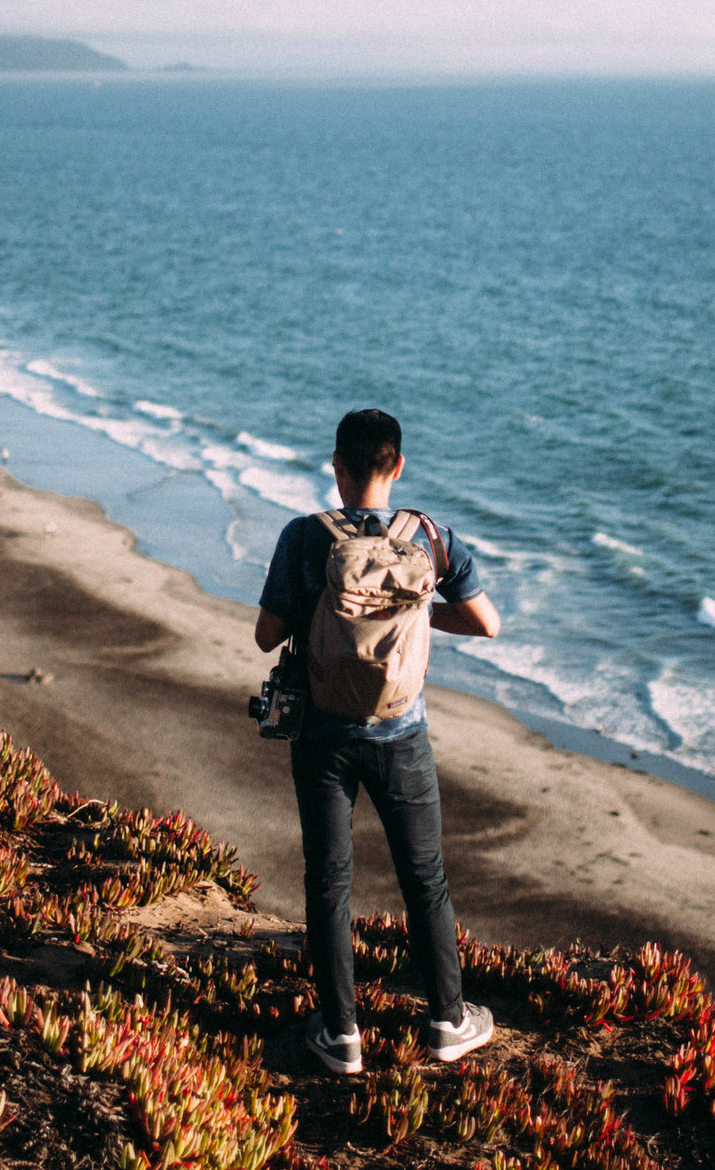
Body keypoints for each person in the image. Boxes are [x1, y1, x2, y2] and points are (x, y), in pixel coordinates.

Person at [254, 408, 504, 1076]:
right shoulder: (429, 536)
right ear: (397, 466)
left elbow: (265, 634)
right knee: (425, 878)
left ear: (336, 466)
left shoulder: (305, 538)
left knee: (330, 880)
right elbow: (487, 622)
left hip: (322, 735)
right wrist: (414, 612)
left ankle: (340, 1034)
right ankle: (448, 1020)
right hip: (402, 734)